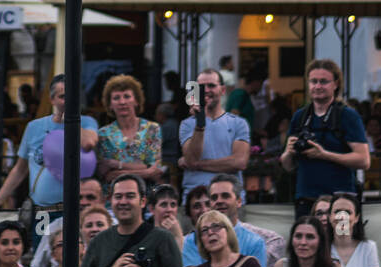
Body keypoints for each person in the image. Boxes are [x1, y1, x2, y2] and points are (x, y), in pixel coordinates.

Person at [0, 74, 98, 246]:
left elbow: (89, 142)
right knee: (40, 258)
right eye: (62, 96)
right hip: (44, 212)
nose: (67, 101)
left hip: (74, 211)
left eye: (72, 96)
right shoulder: (34, 127)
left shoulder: (86, 122)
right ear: (52, 100)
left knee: (75, 258)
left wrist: (71, 122)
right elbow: (20, 169)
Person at [280, 60, 369, 217]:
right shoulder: (300, 116)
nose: (318, 86)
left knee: (343, 238)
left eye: (323, 81)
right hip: (307, 200)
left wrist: (325, 155)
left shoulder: (347, 116)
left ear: (336, 84)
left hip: (342, 202)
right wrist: (288, 153)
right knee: (307, 241)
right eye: (313, 81)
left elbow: (364, 160)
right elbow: (288, 166)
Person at [178, 69, 250, 203]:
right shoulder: (187, 125)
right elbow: (192, 157)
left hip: (229, 199)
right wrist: (200, 122)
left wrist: (197, 164)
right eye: (201, 87)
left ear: (223, 90)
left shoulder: (238, 123)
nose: (206, 90)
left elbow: (239, 162)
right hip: (196, 200)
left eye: (211, 85)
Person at [180, 174, 267, 267]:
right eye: (214, 198)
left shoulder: (254, 243)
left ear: (239, 201)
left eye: (225, 196)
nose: (219, 201)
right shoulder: (192, 241)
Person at [96, 74, 168, 188]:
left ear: (136, 101)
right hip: (114, 198)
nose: (122, 102)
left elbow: (155, 172)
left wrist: (117, 165)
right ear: (110, 105)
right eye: (116, 98)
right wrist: (145, 170)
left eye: (127, 96)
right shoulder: (103, 134)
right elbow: (107, 176)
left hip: (146, 197)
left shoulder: (152, 129)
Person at [225, 66, 266, 136]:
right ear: (256, 82)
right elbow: (233, 116)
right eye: (261, 84)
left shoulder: (245, 95)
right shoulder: (240, 94)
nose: (261, 87)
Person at [148, 183, 184, 251]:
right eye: (164, 205)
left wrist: (178, 236)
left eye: (173, 205)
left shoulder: (186, 239)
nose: (169, 209)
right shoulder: (145, 237)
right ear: (152, 209)